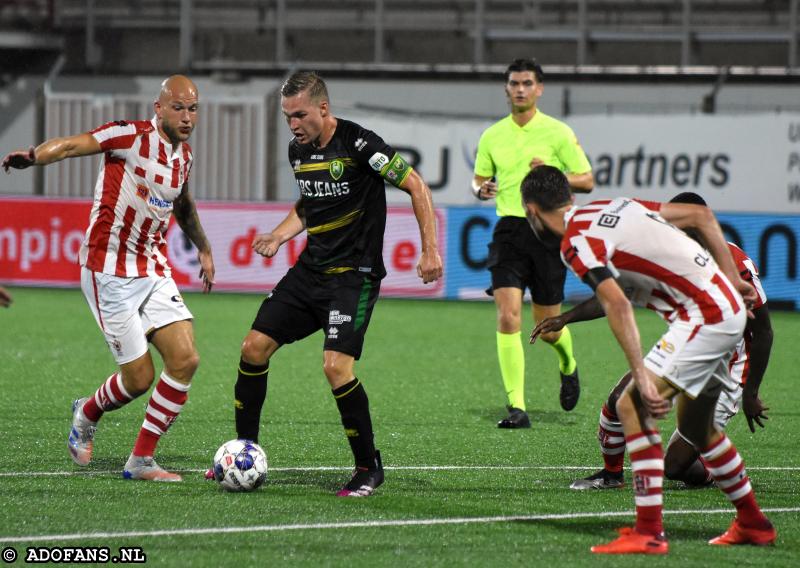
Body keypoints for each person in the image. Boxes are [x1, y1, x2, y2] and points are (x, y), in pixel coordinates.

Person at [521, 166, 776, 554]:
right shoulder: (613, 206)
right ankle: (753, 522)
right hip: (720, 312)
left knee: (631, 405)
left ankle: (648, 532)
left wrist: (640, 376)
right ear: (569, 198)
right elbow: (701, 216)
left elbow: (618, 305)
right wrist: (731, 276)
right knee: (697, 425)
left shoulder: (575, 242)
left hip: (705, 314)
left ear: (532, 212)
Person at [233, 71, 442, 497]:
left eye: (300, 115)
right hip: (310, 272)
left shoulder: (360, 143)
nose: (293, 125)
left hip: (354, 276)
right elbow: (309, 205)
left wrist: (430, 249)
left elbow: (416, 185)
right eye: (287, 116)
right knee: (253, 348)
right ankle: (244, 452)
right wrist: (278, 234)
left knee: (335, 366)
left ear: (323, 109)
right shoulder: (299, 150)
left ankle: (368, 466)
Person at [1, 75, 215, 482]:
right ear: (159, 107)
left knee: (186, 358)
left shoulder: (183, 157)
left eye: (193, 108)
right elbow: (69, 145)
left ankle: (141, 461)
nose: (187, 116)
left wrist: (203, 248)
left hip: (152, 267)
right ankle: (86, 413)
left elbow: (183, 205)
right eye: (179, 107)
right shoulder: (129, 137)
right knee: (139, 379)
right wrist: (33, 155)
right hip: (108, 269)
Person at [472, 58, 594, 428]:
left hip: (547, 232)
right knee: (508, 315)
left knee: (549, 326)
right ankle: (517, 408)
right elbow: (478, 181)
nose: (520, 89)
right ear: (506, 89)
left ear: (539, 89)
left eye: (527, 83)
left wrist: (553, 174)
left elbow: (587, 180)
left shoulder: (557, 132)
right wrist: (482, 190)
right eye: (514, 83)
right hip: (509, 229)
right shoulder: (492, 135)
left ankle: (568, 364)